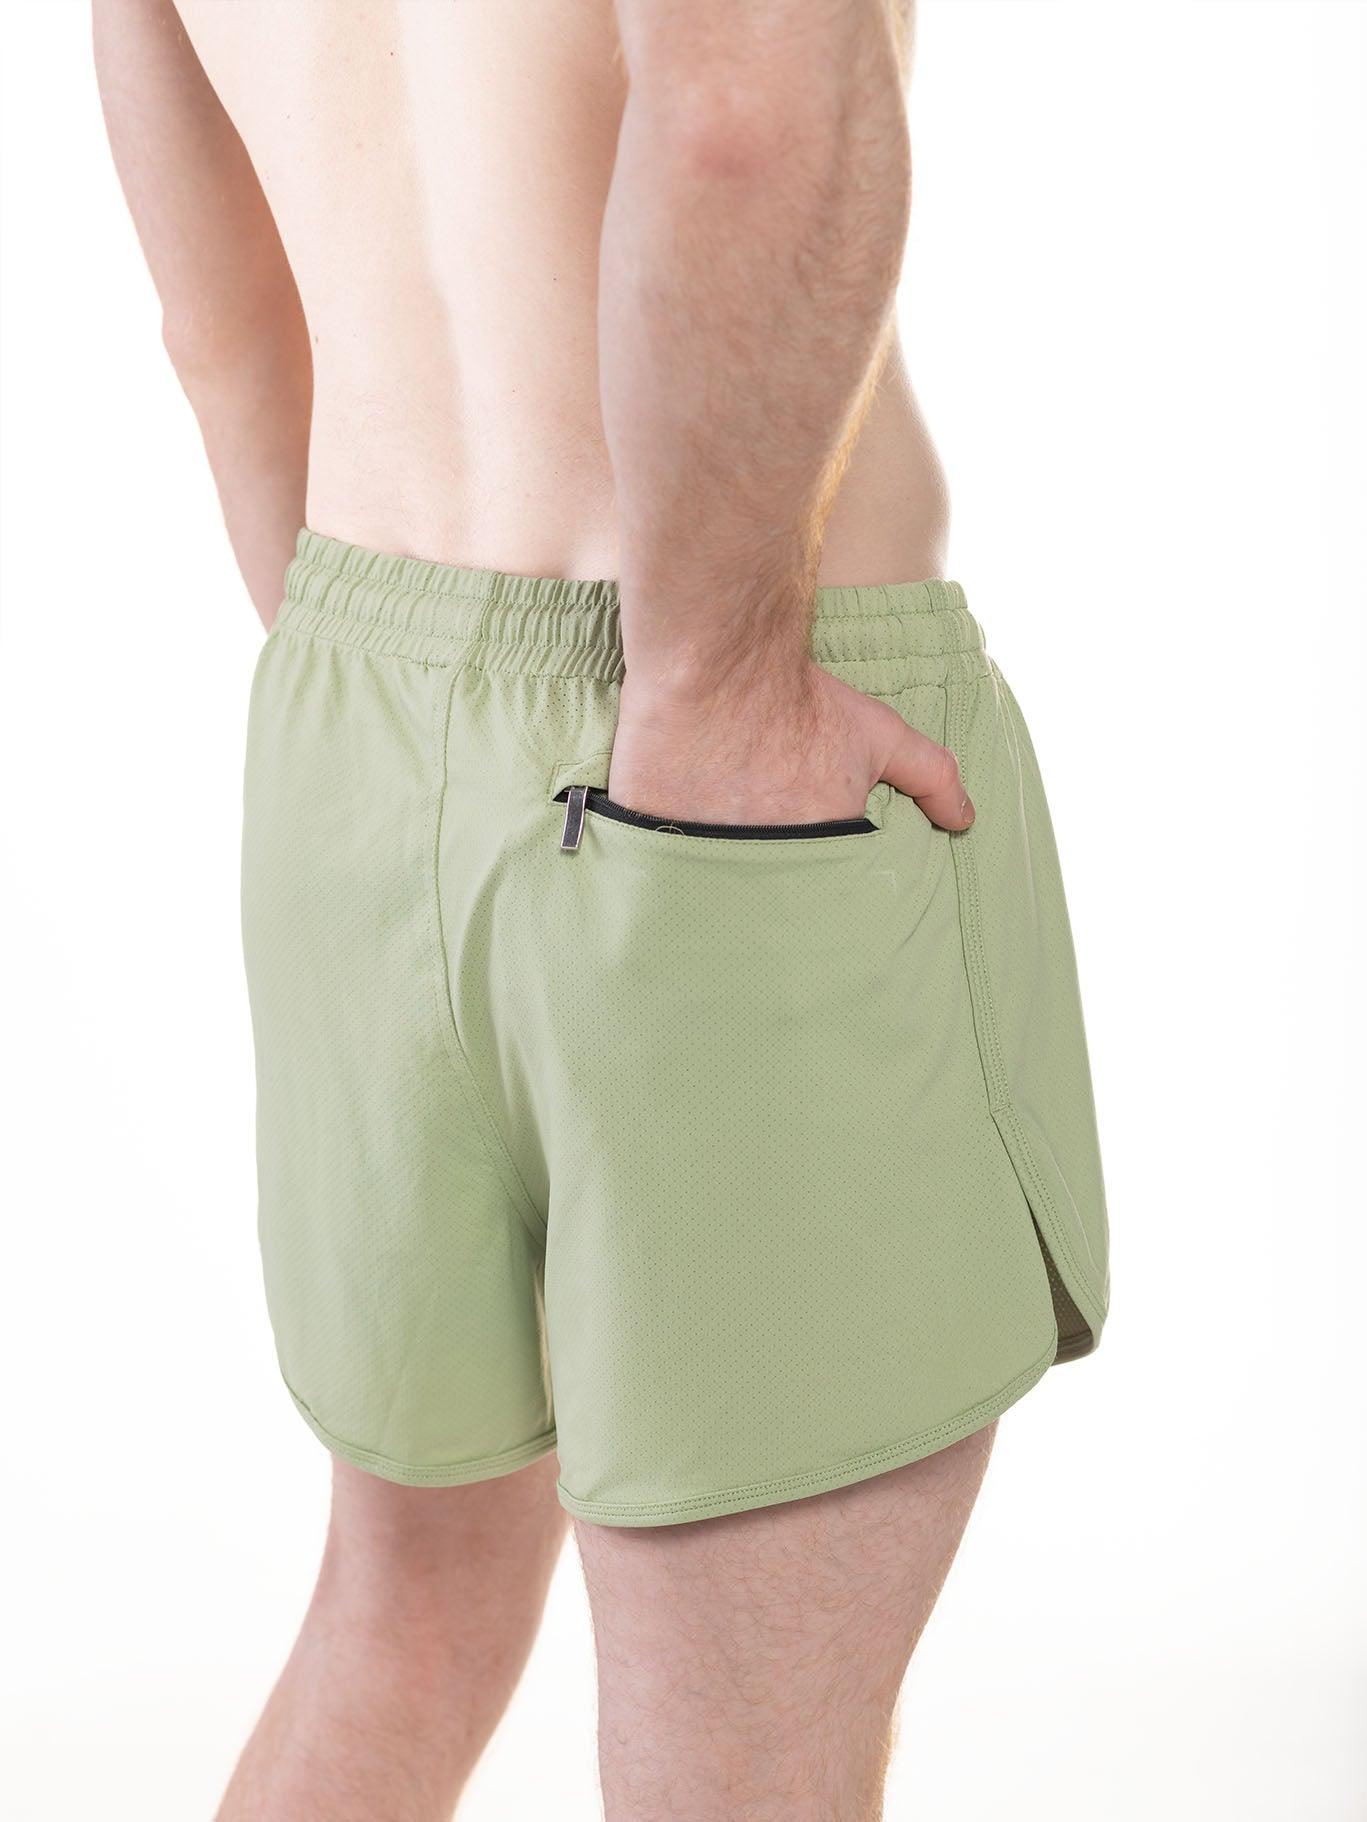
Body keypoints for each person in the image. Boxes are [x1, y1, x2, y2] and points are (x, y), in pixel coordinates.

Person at [94, 1, 1110, 1815]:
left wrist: (375, 695)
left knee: (396, 1623)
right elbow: (739, 107)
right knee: (739, 1760)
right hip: (715, 733)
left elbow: (214, 313)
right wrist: (719, 680)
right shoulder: (719, 702)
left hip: (359, 711)